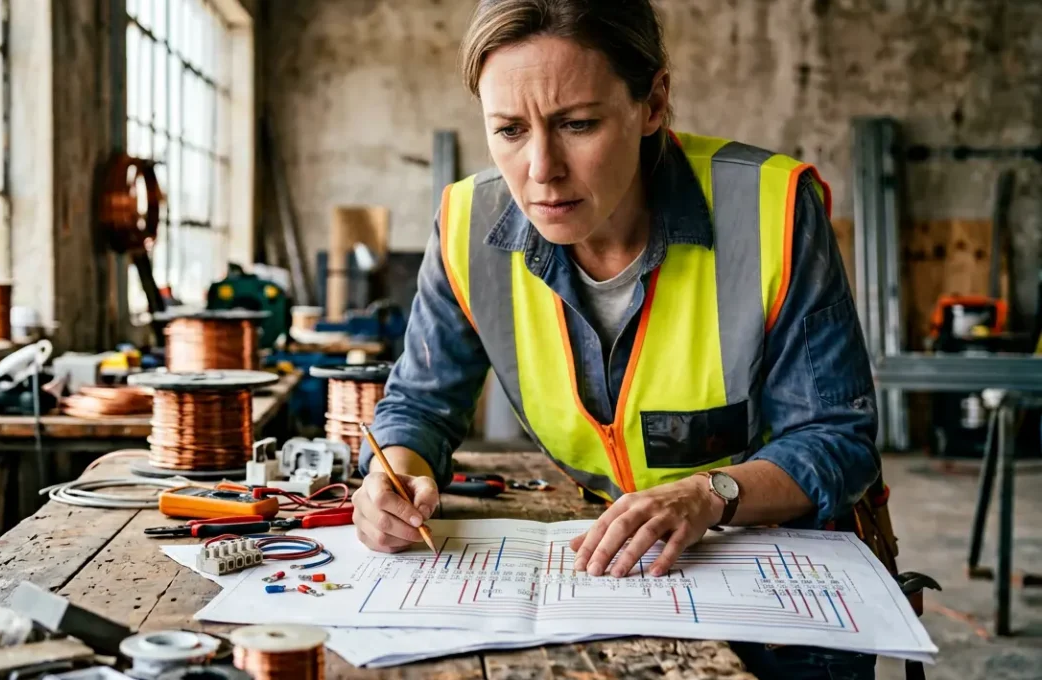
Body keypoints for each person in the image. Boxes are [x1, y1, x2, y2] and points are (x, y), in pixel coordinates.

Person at [351, 0, 894, 677]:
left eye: (577, 124)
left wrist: (706, 495)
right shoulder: (467, 225)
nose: (540, 168)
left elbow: (836, 439)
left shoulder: (772, 209)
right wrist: (395, 472)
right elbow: (420, 406)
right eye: (509, 129)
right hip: (612, 573)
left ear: (654, 102)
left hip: (780, 586)